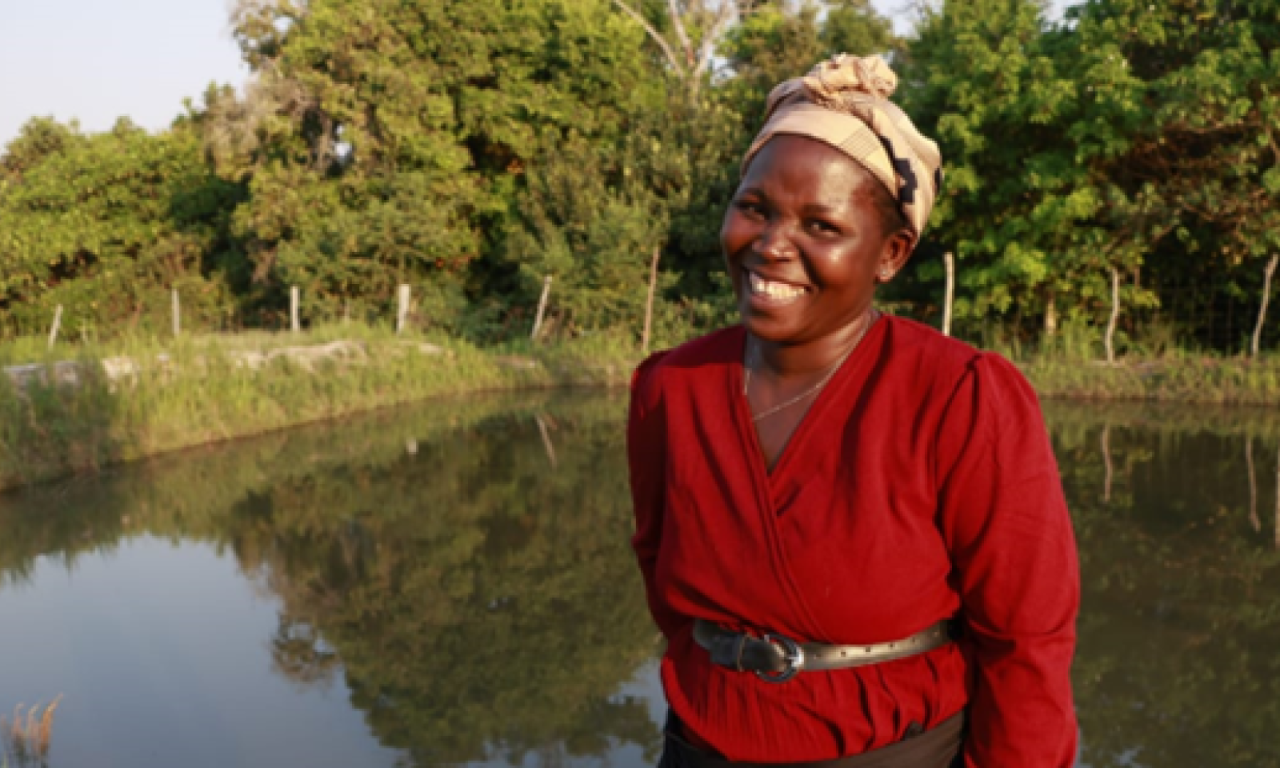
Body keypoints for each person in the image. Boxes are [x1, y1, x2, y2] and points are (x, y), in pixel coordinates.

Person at [626, 54, 1079, 768]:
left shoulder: (961, 395)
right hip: (701, 747)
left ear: (891, 254)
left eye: (821, 225)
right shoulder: (672, 386)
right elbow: (663, 578)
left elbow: (1026, 641)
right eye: (754, 207)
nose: (771, 245)